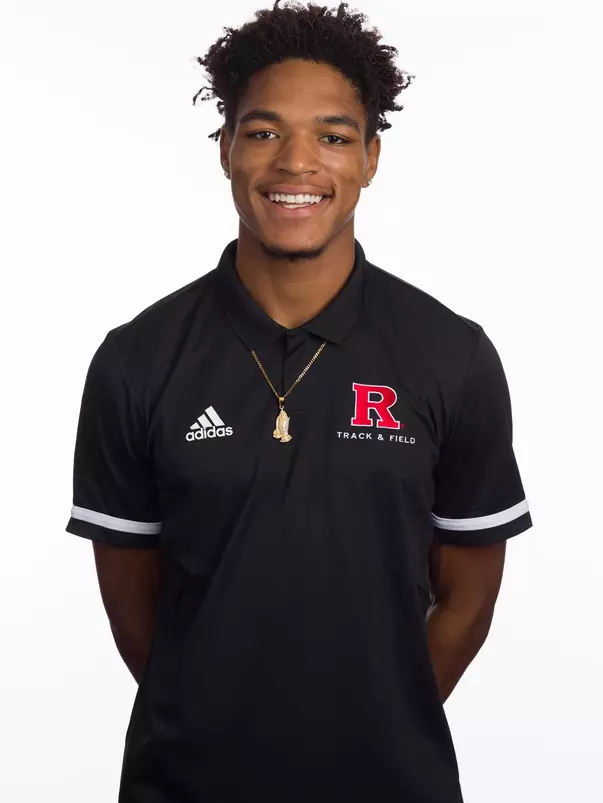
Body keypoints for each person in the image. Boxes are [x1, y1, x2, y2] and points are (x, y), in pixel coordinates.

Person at [66, 2, 533, 801]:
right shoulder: (135, 358)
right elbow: (134, 609)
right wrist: (217, 718)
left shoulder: (451, 355)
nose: (295, 164)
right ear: (224, 150)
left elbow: (467, 596)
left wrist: (374, 715)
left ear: (370, 157)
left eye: (333, 134)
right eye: (262, 131)